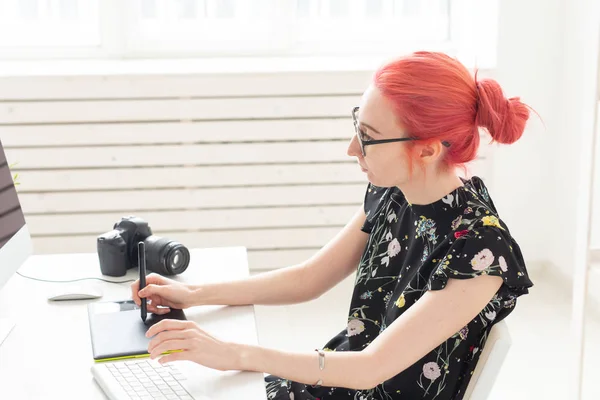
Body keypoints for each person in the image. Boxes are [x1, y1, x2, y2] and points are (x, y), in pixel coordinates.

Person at [131, 51, 534, 400]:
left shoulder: (481, 251)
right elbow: (309, 279)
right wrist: (193, 294)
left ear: (427, 149)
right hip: (336, 383)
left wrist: (234, 353)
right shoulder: (397, 191)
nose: (352, 149)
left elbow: (371, 367)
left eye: (369, 137)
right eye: (357, 127)